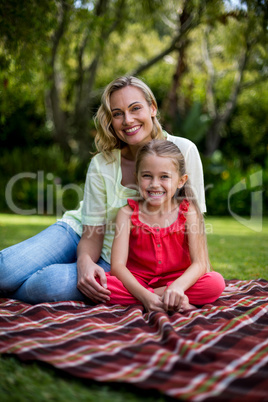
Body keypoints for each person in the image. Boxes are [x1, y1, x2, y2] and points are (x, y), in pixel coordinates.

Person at [0, 76, 206, 304]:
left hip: (116, 259)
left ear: (153, 108)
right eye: (117, 113)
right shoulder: (103, 163)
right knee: (6, 271)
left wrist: (191, 277)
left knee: (49, 284)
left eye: (135, 108)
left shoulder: (184, 150)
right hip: (79, 231)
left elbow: (194, 221)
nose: (128, 120)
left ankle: (12, 293)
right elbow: (92, 232)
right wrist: (85, 262)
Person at [99, 140, 225, 312]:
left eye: (164, 176)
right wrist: (145, 294)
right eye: (147, 176)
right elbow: (118, 267)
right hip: (138, 282)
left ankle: (165, 298)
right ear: (137, 177)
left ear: (181, 181)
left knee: (215, 283)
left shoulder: (188, 212)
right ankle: (170, 301)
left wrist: (178, 287)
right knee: (101, 285)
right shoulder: (127, 213)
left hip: (179, 280)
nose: (154, 184)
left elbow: (200, 264)